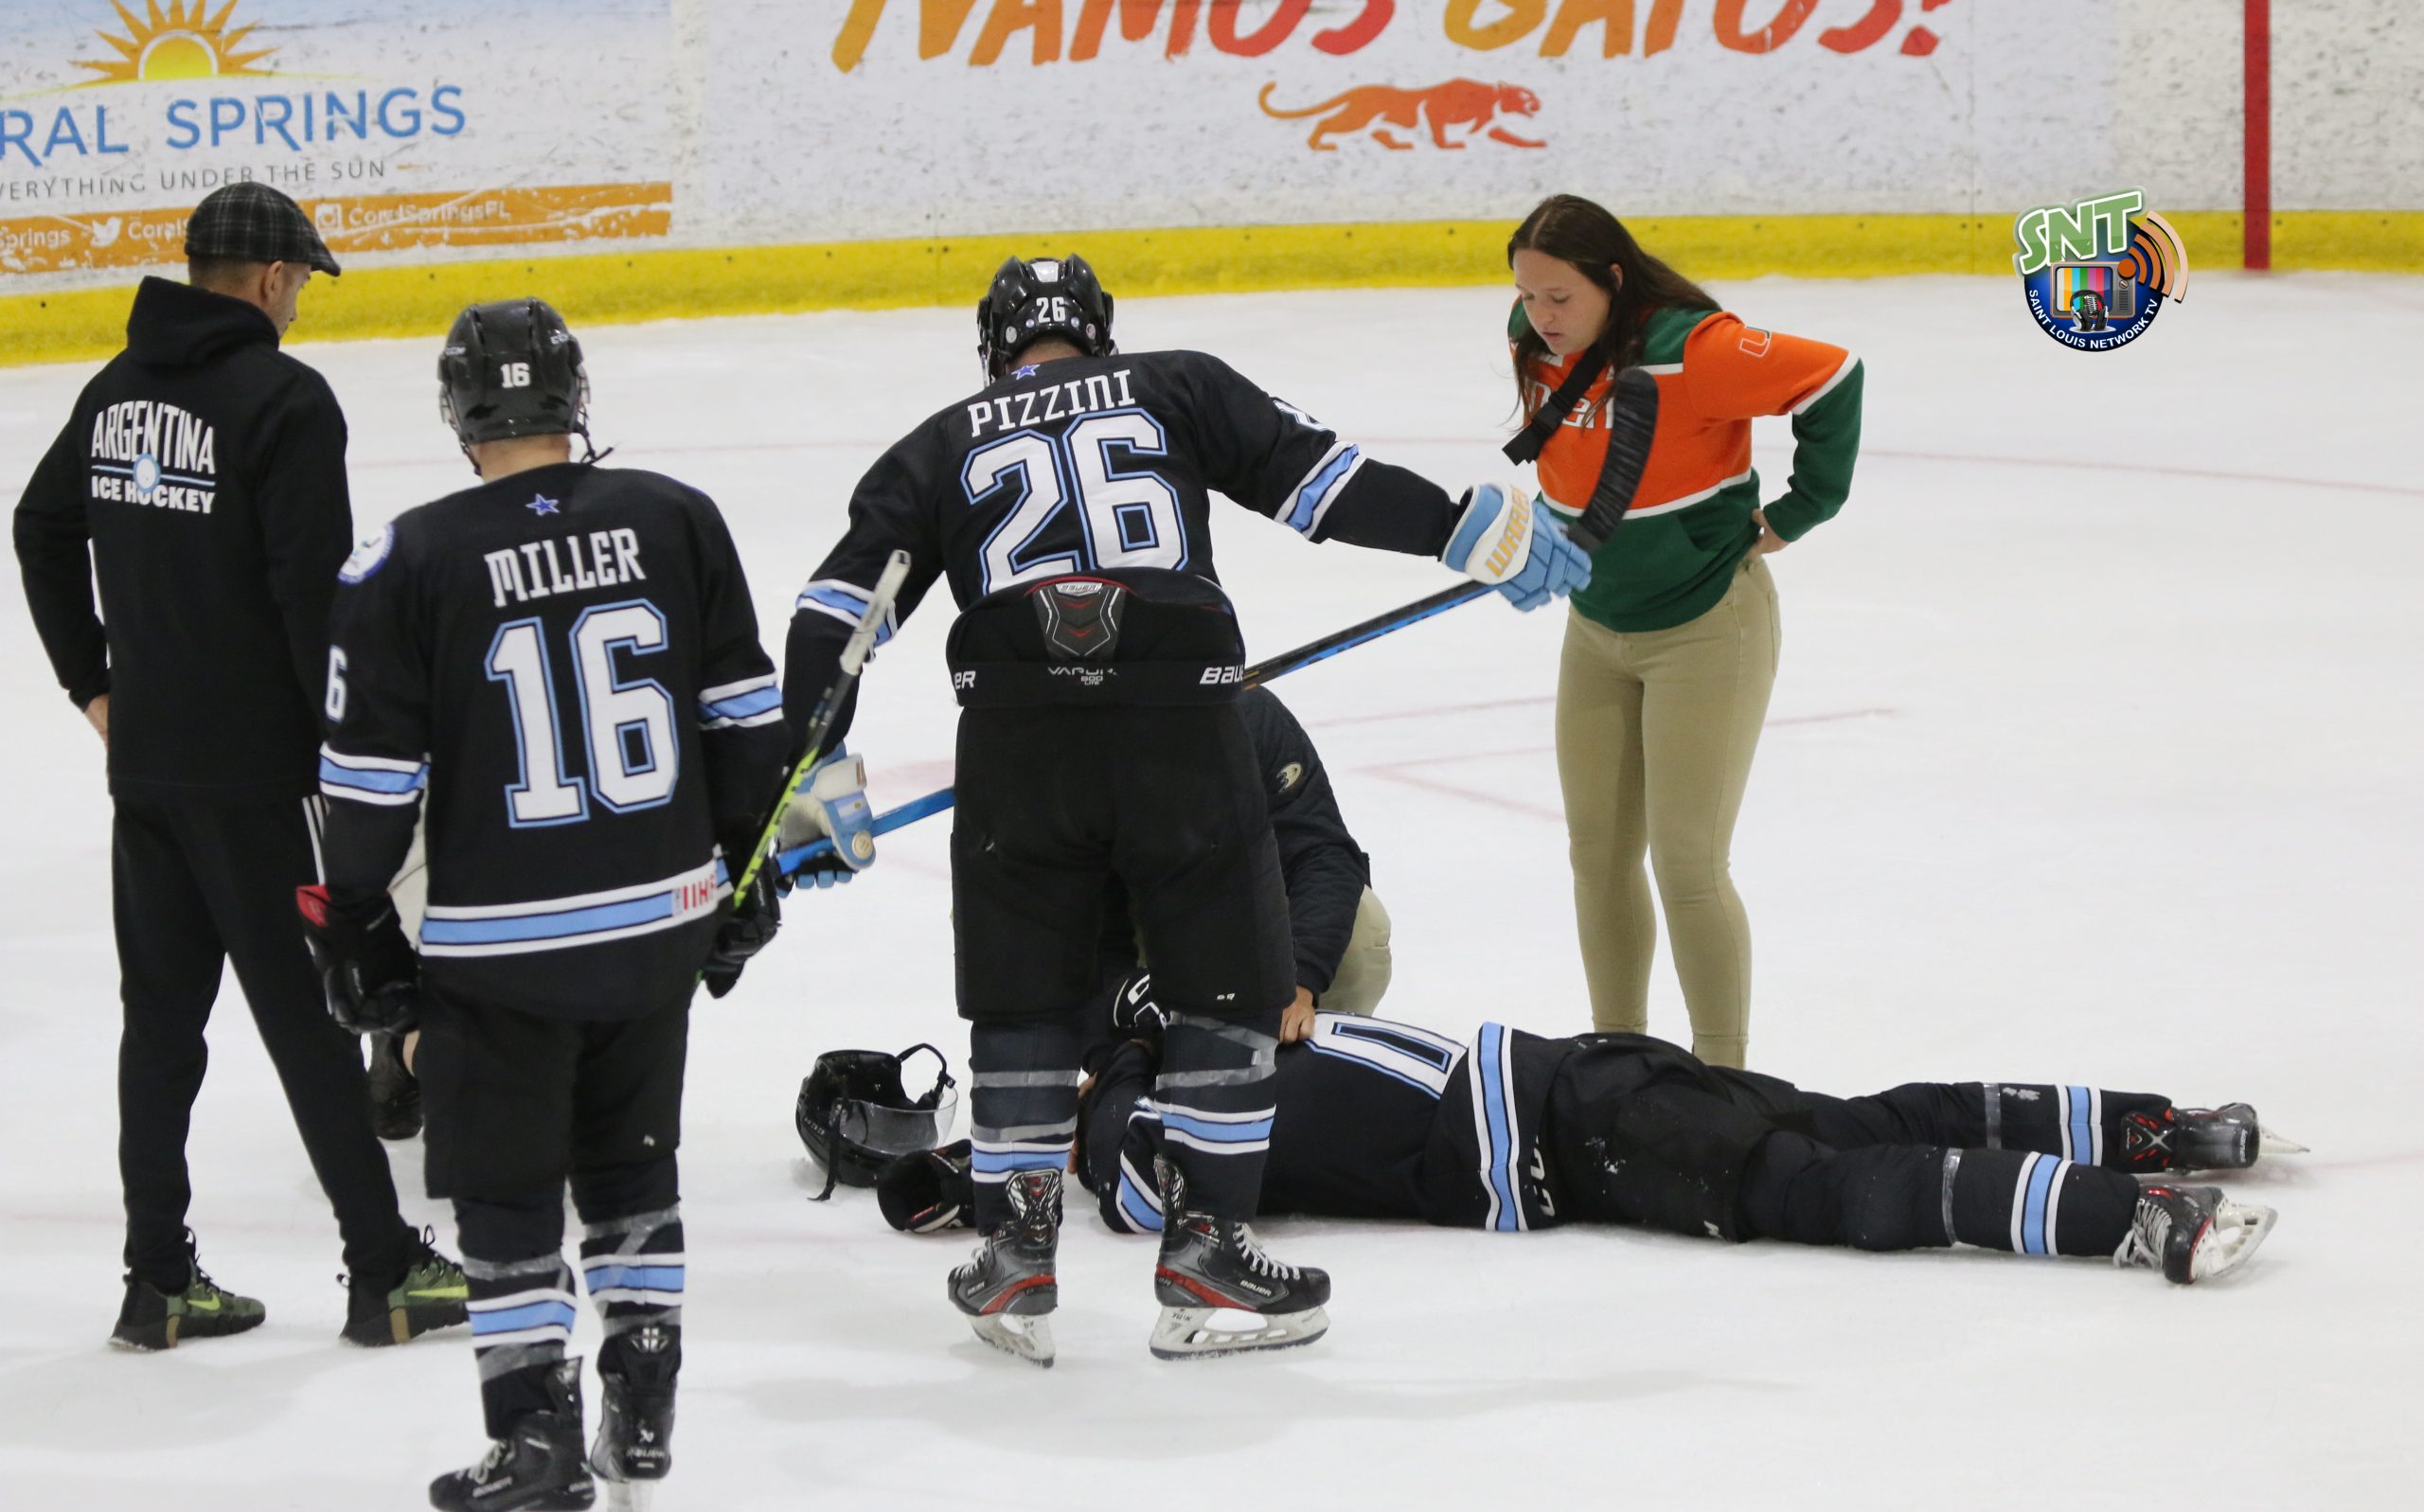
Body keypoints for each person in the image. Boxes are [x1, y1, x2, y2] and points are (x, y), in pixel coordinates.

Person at [779, 253, 1594, 1364]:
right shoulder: (1177, 383)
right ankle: (1207, 1253)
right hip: (1184, 717)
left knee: (1027, 990)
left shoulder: (940, 441)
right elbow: (1324, 486)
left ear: (993, 350)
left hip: (1019, 735)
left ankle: (1014, 1255)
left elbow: (836, 611)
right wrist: (1466, 528)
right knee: (1224, 982)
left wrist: (810, 767)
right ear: (1101, 335)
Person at [299, 299, 789, 1509]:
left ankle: (534, 1442)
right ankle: (644, 1409)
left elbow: (368, 787)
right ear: (576, 400)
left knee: (508, 1192)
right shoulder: (677, 517)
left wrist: (356, 922)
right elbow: (744, 724)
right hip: (655, 927)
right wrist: (746, 873)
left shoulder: (405, 558)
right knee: (633, 1168)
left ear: (458, 414)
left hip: (498, 951)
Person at [12, 181, 467, 1352]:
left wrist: (93, 685)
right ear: (269, 279)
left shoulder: (115, 391)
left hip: (149, 770)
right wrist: (356, 747)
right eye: (301, 281)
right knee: (313, 1022)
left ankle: (157, 1280)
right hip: (259, 778)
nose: (301, 300)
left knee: (160, 1025)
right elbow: (311, 600)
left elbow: (38, 526)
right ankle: (384, 1273)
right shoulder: (285, 400)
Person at [868, 985, 2286, 1286]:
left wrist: (1077, 1095)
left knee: (1829, 1182)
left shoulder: (1157, 1106)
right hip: (1580, 1078)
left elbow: (1127, 1169)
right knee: (1860, 1119)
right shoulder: (1188, 1051)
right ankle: (2166, 1129)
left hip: (1571, 1129)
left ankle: (2134, 1212)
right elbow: (1123, 1151)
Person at [1506, 193, 1864, 1068]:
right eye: (1527, 294)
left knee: (1687, 865)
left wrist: (1802, 507)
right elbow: (1571, 460)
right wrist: (1543, 530)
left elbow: (1835, 375)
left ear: (1612, 280)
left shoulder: (1696, 352)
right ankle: (1615, 1059)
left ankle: (1723, 1078)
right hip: (1596, 630)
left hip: (1706, 630)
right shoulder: (1534, 340)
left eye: (1561, 296)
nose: (1541, 315)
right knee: (1597, 854)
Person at [1098, 685, 1393, 1040]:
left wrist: (1300, 981)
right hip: (1140, 918)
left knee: (1361, 929)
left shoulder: (1252, 714)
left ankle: (1308, 1052)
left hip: (1243, 901)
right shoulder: (1077, 737)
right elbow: (1071, 909)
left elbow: (1321, 853)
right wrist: (1119, 1034)